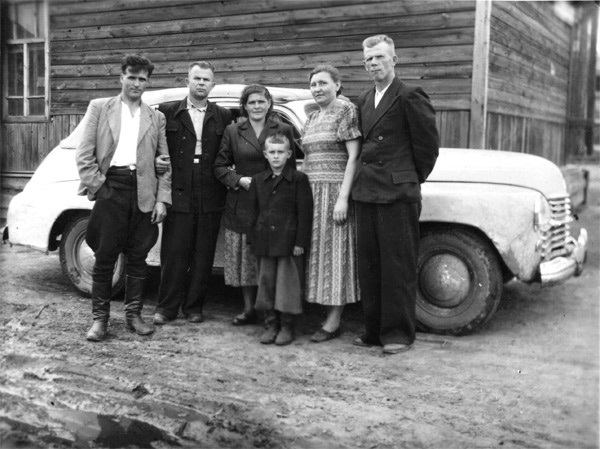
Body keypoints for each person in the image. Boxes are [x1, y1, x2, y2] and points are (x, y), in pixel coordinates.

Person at [352, 35, 439, 354]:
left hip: (398, 194)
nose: (374, 63)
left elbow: (427, 147)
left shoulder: (409, 94)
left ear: (394, 60)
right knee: (370, 266)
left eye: (379, 57)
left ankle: (398, 334)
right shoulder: (364, 98)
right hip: (367, 192)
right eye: (368, 59)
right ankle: (374, 331)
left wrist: (408, 180)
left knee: (397, 266)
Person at [76, 54, 171, 342]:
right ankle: (100, 320)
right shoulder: (99, 108)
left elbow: (165, 162)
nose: (136, 83)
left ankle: (134, 316)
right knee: (105, 258)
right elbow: (84, 156)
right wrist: (101, 187)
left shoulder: (156, 117)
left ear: (147, 82)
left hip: (143, 191)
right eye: (131, 77)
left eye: (142, 79)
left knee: (138, 258)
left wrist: (161, 199)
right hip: (112, 187)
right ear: (121, 77)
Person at [152, 61, 233, 325]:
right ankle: (166, 307)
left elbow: (229, 152)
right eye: (196, 78)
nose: (201, 83)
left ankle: (194, 307)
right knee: (174, 251)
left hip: (210, 189)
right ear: (187, 81)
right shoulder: (168, 112)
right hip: (179, 187)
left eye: (206, 79)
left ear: (213, 85)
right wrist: (156, 160)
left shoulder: (223, 116)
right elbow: (154, 146)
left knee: (203, 253)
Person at [214, 84, 299, 326]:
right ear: (244, 106)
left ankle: (270, 312)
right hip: (243, 202)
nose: (257, 106)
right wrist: (238, 180)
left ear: (269, 103)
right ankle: (249, 308)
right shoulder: (233, 131)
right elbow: (219, 166)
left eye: (261, 101)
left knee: (269, 259)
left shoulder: (283, 129)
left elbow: (291, 170)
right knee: (246, 261)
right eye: (251, 102)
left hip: (273, 203)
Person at [301, 65, 361, 343]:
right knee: (318, 255)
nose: (317, 89)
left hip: (335, 191)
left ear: (337, 85)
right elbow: (306, 158)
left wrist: (343, 199)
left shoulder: (345, 111)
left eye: (323, 83)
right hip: (312, 193)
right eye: (313, 84)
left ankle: (334, 321)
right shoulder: (312, 117)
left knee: (336, 256)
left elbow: (354, 158)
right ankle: (324, 314)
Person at [247, 132, 313, 345]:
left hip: (288, 242)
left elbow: (304, 214)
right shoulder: (258, 180)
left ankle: (286, 326)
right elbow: (253, 212)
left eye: (280, 152)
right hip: (264, 241)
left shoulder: (299, 180)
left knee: (287, 285)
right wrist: (252, 239)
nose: (276, 156)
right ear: (265, 154)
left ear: (289, 154)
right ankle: (271, 324)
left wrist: (300, 242)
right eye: (272, 152)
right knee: (266, 283)